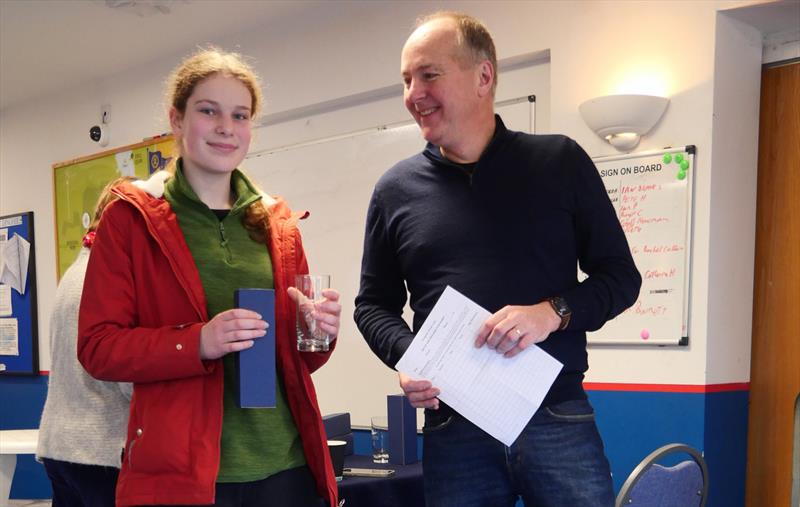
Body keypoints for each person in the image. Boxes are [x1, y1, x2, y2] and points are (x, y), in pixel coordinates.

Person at [354, 11, 641, 507]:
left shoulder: (559, 162)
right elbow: (372, 305)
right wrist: (408, 358)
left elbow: (621, 277)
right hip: (453, 426)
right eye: (406, 80)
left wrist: (551, 313)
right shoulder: (394, 191)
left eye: (429, 75)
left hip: (557, 418)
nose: (413, 94)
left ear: (484, 76)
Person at [77, 48, 341, 507]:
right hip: (184, 477)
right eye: (208, 111)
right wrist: (196, 341)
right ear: (176, 120)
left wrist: (317, 331)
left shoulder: (278, 222)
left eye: (240, 115)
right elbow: (97, 349)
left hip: (286, 468)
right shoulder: (130, 219)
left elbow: (300, 361)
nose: (226, 127)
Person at [37, 177, 135, 507]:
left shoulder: (75, 273)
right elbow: (125, 375)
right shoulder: (107, 281)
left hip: (60, 446)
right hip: (99, 448)